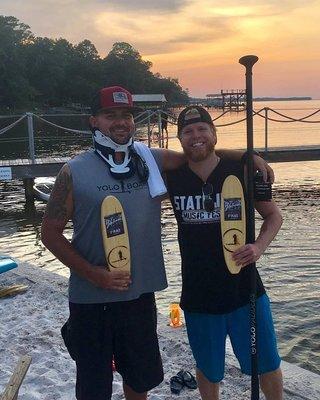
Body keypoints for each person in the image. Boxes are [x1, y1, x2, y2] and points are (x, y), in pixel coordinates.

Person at [41, 86, 274, 400]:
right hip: (90, 300)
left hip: (139, 296)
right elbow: (50, 233)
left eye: (127, 115)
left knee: (140, 380)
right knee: (93, 386)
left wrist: (249, 155)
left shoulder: (149, 159)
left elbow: (198, 153)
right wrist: (93, 274)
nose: (121, 122)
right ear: (94, 120)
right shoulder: (74, 171)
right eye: (111, 115)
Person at [165, 106, 283, 400]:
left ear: (214, 134)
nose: (196, 136)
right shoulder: (172, 176)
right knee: (208, 369)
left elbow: (274, 217)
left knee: (267, 364)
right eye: (188, 132)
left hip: (246, 291)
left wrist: (258, 247)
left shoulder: (243, 172)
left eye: (203, 129)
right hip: (198, 295)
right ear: (180, 140)